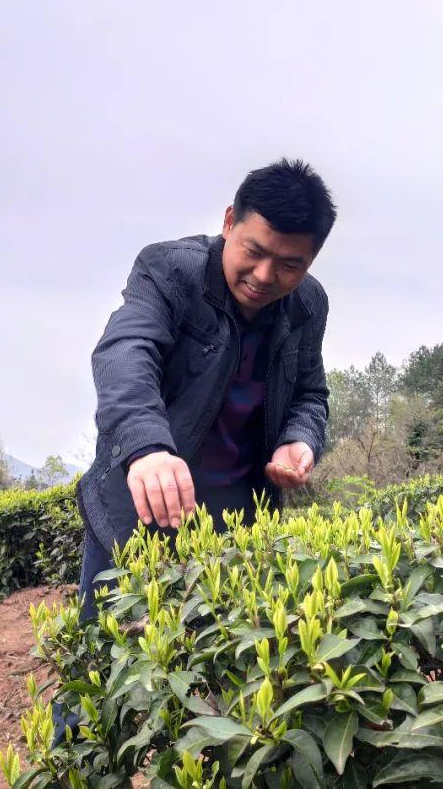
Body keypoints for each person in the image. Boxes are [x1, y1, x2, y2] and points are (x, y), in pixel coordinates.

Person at [74, 158, 336, 621]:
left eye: (289, 264)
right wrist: (147, 447)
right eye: (253, 251)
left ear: (311, 260)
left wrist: (300, 438)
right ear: (229, 221)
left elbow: (310, 394)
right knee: (105, 663)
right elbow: (125, 350)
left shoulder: (309, 305)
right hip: (137, 513)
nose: (263, 275)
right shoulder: (169, 270)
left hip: (237, 532)